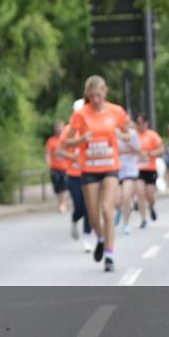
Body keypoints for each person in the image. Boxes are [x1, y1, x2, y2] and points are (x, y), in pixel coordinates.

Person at [63, 76, 131, 272]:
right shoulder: (80, 115)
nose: (96, 99)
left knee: (107, 209)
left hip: (110, 165)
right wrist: (81, 139)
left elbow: (127, 134)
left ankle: (109, 255)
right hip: (89, 168)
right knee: (92, 214)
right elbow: (66, 143)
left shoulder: (116, 111)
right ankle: (100, 237)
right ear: (87, 95)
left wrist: (121, 135)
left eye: (99, 94)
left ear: (105, 92)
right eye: (92, 96)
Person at [57, 101, 91, 250]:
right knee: (79, 206)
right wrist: (74, 158)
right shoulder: (68, 130)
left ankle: (87, 238)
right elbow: (59, 151)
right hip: (73, 174)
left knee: (89, 207)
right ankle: (74, 219)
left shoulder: (91, 128)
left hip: (89, 173)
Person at [115, 120, 143, 235]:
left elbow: (138, 150)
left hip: (130, 171)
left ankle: (126, 223)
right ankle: (119, 210)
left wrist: (126, 141)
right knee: (116, 200)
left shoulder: (133, 134)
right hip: (116, 170)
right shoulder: (114, 133)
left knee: (126, 196)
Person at [135, 116, 163, 229]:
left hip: (150, 169)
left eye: (141, 122)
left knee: (150, 195)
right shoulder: (134, 135)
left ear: (146, 123)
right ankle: (143, 219)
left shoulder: (152, 135)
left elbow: (161, 150)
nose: (139, 125)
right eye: (137, 122)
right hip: (137, 169)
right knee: (140, 193)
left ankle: (151, 206)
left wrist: (149, 154)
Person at [45, 120, 69, 214]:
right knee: (57, 187)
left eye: (60, 127)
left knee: (64, 186)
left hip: (65, 167)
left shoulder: (67, 140)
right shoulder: (51, 140)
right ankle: (60, 202)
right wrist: (48, 163)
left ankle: (62, 203)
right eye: (57, 127)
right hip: (55, 168)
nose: (59, 129)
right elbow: (47, 153)